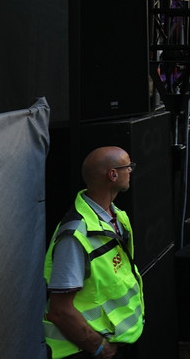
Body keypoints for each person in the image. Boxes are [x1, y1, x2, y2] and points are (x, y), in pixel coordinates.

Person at [44, 147, 144, 358]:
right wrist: (100, 347)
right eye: (129, 166)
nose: (131, 171)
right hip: (88, 351)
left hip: (118, 341)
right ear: (113, 174)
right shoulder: (75, 235)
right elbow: (59, 311)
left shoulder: (117, 217)